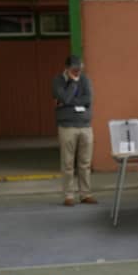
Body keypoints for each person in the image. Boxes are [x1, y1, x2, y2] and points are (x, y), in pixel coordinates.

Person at [52, 54, 95, 207]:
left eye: (80, 70)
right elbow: (64, 97)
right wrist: (72, 83)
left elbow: (88, 99)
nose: (78, 73)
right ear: (67, 68)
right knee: (68, 163)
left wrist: (67, 102)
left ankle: (86, 194)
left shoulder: (86, 79)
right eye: (74, 70)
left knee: (85, 163)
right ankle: (68, 195)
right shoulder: (58, 81)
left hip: (85, 126)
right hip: (67, 127)